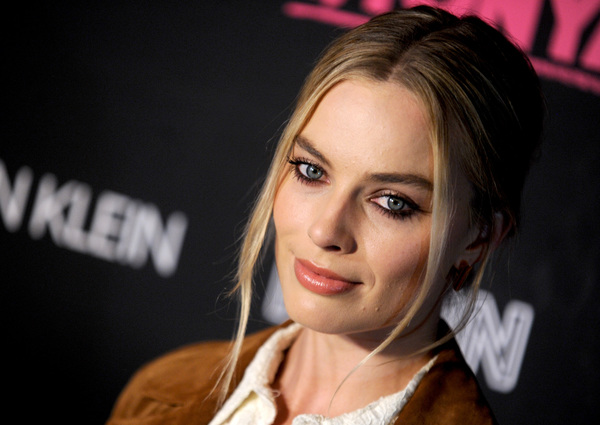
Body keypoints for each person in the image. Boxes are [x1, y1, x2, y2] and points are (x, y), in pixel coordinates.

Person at [106, 5, 543, 425]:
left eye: (392, 202)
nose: (324, 229)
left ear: (479, 237)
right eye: (311, 171)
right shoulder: (158, 391)